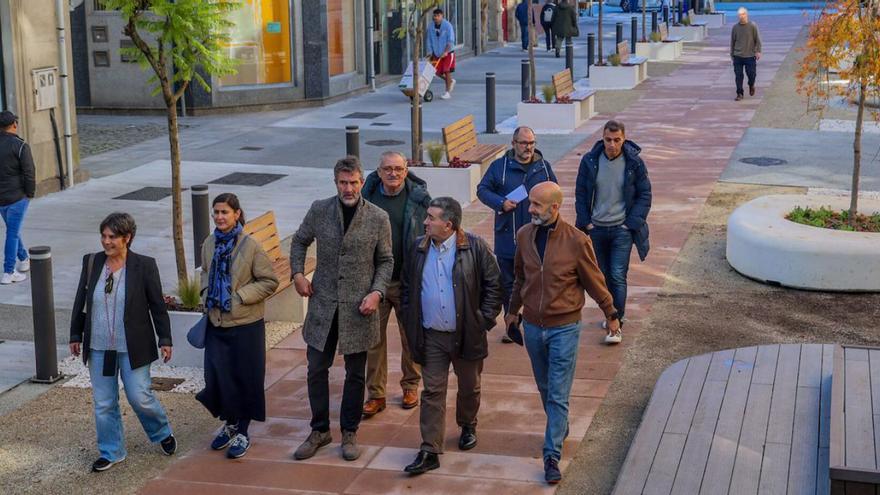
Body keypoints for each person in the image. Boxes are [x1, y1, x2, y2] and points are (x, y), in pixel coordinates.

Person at [505, 182, 620, 485]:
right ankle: (560, 426)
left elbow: (595, 281)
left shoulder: (577, 241)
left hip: (564, 328)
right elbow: (520, 277)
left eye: (536, 205)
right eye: (530, 203)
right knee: (545, 387)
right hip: (532, 326)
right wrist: (511, 312)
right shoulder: (524, 236)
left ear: (554, 208)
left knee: (557, 392)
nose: (529, 209)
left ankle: (551, 454)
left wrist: (611, 314)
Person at [291, 157, 393, 462]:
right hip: (323, 305)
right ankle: (320, 430)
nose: (348, 188)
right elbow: (299, 241)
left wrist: (377, 292)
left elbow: (386, 260)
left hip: (359, 308)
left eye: (353, 182)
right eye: (342, 182)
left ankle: (350, 431)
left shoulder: (378, 217)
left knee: (355, 375)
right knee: (316, 370)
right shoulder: (319, 210)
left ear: (362, 182)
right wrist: (297, 273)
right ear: (335, 182)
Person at [401, 197, 503, 475]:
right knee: (432, 391)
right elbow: (408, 287)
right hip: (430, 334)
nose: (425, 222)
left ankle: (468, 424)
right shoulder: (417, 248)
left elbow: (495, 285)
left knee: (469, 387)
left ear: (448, 225)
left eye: (431, 218)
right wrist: (411, 321)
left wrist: (482, 320)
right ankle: (430, 449)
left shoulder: (475, 246)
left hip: (467, 333)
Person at [69, 212, 176, 472]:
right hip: (99, 346)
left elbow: (156, 305)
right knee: (104, 402)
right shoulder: (92, 262)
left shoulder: (144, 265)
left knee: (140, 396)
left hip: (133, 345)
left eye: (112, 237)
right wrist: (75, 334)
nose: (106, 242)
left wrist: (165, 338)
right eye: (103, 236)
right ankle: (111, 451)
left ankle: (162, 432)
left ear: (127, 238)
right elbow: (81, 302)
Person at [196, 193, 279, 459]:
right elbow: (205, 272)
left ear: (237, 214)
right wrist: (206, 292)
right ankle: (230, 423)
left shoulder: (251, 246)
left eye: (225, 212)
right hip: (216, 323)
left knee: (246, 378)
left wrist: (240, 297)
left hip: (246, 324)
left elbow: (269, 281)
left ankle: (242, 430)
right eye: (216, 212)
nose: (220, 217)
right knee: (219, 378)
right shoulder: (209, 243)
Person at [362, 151, 431, 418]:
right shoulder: (366, 198)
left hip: (407, 280)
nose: (393, 174)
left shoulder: (420, 198)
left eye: (398, 169)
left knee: (410, 337)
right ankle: (376, 394)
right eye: (388, 169)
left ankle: (410, 386)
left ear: (406, 170)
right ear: (379, 172)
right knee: (373, 340)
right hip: (375, 281)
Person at [574, 120, 652, 344]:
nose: (612, 144)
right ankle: (611, 314)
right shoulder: (589, 161)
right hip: (596, 228)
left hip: (621, 230)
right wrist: (586, 223)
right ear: (603, 138)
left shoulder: (634, 164)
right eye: (608, 139)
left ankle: (617, 322)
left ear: (624, 139)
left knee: (618, 275)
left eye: (617, 140)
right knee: (603, 276)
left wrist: (630, 224)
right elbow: (580, 193)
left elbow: (645, 194)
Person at [476, 127, 556, 343]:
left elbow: (554, 192)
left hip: (537, 237)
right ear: (513, 143)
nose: (528, 147)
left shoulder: (543, 168)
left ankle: (534, 322)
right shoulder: (499, 167)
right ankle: (512, 324)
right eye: (523, 143)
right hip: (507, 237)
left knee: (535, 281)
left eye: (531, 143)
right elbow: (482, 190)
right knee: (509, 284)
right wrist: (500, 203)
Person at [0, 111, 35, 285]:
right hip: (17, 196)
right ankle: (8, 272)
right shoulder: (20, 146)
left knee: (12, 228)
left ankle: (24, 259)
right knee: (12, 232)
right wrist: (30, 193)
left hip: (2, 199)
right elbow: (29, 172)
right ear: (14, 124)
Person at [730, 7, 762, 101]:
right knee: (738, 75)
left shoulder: (752, 26)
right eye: (739, 15)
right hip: (738, 56)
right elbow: (732, 41)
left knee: (752, 74)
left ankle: (751, 84)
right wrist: (732, 54)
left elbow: (758, 40)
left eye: (743, 14)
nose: (741, 16)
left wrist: (758, 51)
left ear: (746, 14)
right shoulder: (735, 27)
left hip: (750, 55)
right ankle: (739, 93)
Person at [427, 8, 457, 100]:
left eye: (438, 16)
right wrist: (430, 53)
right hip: (436, 53)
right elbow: (428, 40)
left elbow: (451, 40)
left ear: (442, 16)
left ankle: (447, 92)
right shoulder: (431, 27)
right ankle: (450, 81)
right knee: (435, 71)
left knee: (446, 70)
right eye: (434, 16)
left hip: (448, 53)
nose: (436, 17)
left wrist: (446, 51)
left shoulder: (448, 26)